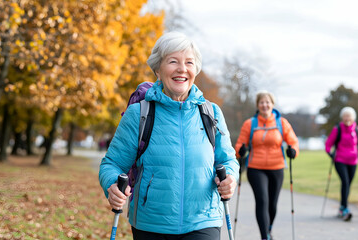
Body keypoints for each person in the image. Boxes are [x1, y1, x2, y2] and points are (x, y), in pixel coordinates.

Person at [99, 32, 239, 240]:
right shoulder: (139, 114)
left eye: (189, 63)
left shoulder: (212, 113)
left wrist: (230, 178)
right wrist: (112, 184)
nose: (182, 69)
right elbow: (111, 164)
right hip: (151, 224)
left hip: (203, 221)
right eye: (173, 61)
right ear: (158, 69)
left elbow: (228, 160)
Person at [235, 91, 298, 240]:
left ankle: (269, 228)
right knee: (262, 200)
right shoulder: (250, 123)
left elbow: (293, 141)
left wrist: (293, 151)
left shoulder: (281, 123)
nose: (265, 105)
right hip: (255, 168)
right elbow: (239, 144)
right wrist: (241, 150)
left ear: (272, 105)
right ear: (258, 105)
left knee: (272, 204)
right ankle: (265, 236)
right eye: (262, 102)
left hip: (277, 167)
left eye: (267, 102)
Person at [325, 106, 358, 221]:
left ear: (353, 118)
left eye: (349, 116)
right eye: (345, 116)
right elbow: (328, 143)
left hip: (353, 161)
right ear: (342, 117)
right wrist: (330, 153)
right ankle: (345, 208)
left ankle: (341, 207)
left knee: (348, 184)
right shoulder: (337, 129)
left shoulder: (357, 130)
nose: (347, 118)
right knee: (345, 182)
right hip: (340, 160)